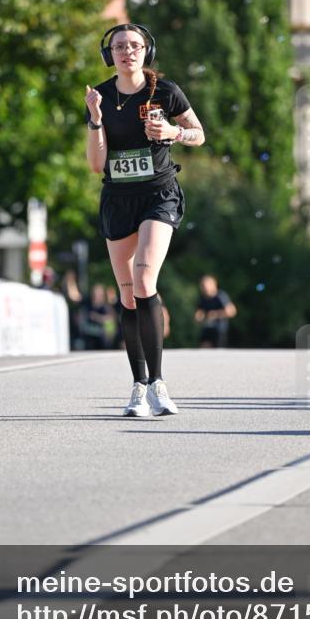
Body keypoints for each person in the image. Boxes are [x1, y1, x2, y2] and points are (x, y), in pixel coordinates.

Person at [85, 22, 205, 417]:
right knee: (126, 294)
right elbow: (96, 164)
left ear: (146, 51)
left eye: (135, 46)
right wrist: (95, 120)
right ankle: (138, 386)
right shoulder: (100, 96)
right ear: (110, 55)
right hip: (119, 199)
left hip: (159, 194)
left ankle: (158, 384)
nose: (127, 52)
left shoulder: (165, 92)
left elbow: (199, 134)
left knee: (143, 278)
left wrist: (173, 132)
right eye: (120, 47)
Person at [194, 275, 237, 348]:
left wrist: (216, 314)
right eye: (203, 285)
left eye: (206, 285)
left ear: (214, 284)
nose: (205, 288)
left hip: (219, 330)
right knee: (203, 349)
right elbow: (199, 313)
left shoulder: (220, 296)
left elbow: (232, 311)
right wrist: (199, 317)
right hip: (207, 328)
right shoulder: (202, 298)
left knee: (217, 352)